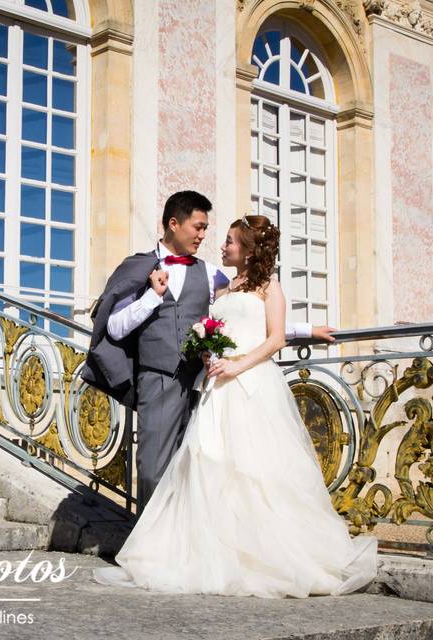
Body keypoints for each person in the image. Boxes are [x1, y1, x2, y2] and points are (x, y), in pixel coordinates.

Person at [92, 215, 377, 597]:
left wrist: (282, 344)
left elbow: (275, 336)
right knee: (209, 464)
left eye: (229, 240)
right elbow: (219, 329)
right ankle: (214, 553)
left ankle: (263, 555)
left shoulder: (268, 287)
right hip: (215, 388)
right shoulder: (222, 291)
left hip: (251, 384)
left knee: (255, 469)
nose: (221, 245)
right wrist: (208, 354)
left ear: (247, 248)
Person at [82, 190, 335, 512]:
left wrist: (306, 330)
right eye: (198, 227)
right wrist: (151, 298)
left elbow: (246, 317)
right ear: (174, 224)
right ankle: (151, 546)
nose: (204, 236)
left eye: (206, 228)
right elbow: (115, 328)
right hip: (159, 379)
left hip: (206, 384)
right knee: (151, 469)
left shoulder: (212, 274)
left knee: (202, 470)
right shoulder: (140, 266)